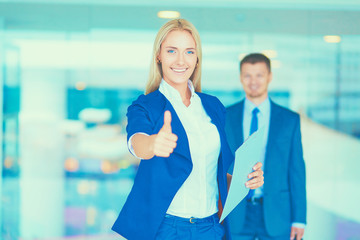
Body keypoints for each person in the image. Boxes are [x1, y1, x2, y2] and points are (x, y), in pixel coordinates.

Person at [111, 19, 264, 240]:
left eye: (189, 52)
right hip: (166, 230)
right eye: (172, 51)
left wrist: (245, 181)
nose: (181, 60)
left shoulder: (213, 106)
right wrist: (153, 144)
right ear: (159, 56)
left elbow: (215, 175)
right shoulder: (145, 106)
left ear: (197, 58)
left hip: (211, 228)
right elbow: (137, 142)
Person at [225, 53, 306, 240]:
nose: (253, 81)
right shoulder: (226, 116)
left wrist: (299, 220)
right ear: (240, 77)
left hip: (278, 214)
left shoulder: (289, 120)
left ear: (269, 77)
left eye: (259, 75)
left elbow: (297, 171)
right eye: (247, 75)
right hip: (236, 213)